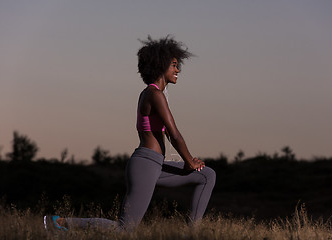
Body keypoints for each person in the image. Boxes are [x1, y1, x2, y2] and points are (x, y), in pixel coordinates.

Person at [44, 35, 216, 231]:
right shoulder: (154, 94)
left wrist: (188, 163)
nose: (178, 70)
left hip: (155, 164)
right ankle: (59, 222)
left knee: (207, 175)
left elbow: (168, 134)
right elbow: (174, 133)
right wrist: (189, 162)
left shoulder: (154, 94)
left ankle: (191, 234)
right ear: (160, 65)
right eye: (174, 65)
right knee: (125, 228)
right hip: (146, 164)